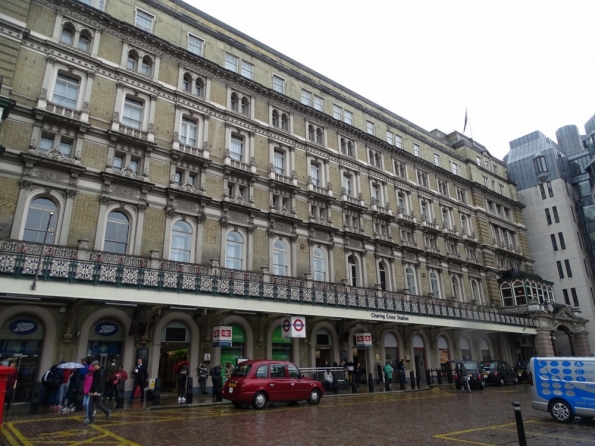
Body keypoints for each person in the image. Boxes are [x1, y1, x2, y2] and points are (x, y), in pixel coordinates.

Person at [84, 360, 111, 425]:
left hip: (99, 391)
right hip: (93, 391)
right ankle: (91, 419)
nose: (93, 367)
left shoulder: (101, 372)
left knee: (98, 405)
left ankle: (107, 411)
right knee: (90, 405)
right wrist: (90, 390)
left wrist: (97, 391)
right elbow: (93, 382)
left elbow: (100, 382)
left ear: (97, 365)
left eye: (94, 366)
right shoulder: (94, 372)